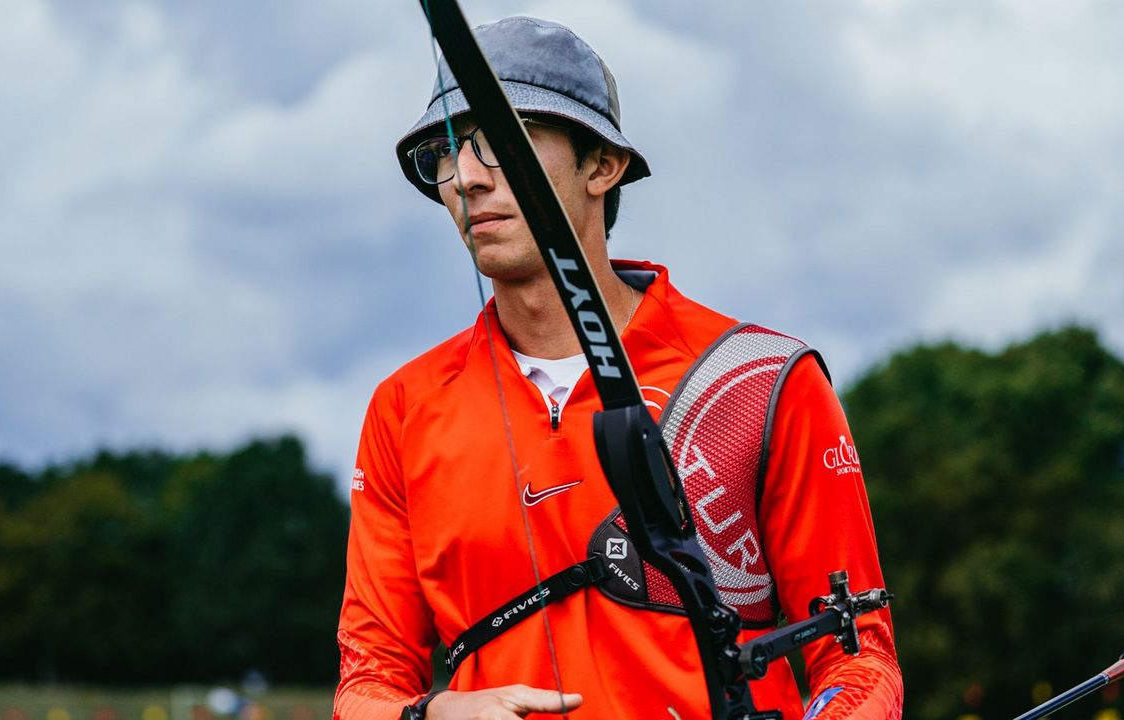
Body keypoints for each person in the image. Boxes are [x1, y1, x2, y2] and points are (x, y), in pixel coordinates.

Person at [334, 16, 901, 720]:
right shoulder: (405, 406)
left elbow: (856, 653)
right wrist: (426, 716)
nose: (466, 178)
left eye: (499, 144)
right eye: (445, 154)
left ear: (602, 164)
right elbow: (366, 683)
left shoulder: (760, 379)